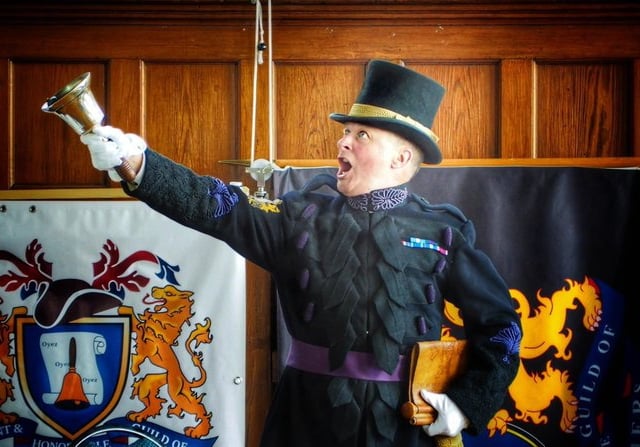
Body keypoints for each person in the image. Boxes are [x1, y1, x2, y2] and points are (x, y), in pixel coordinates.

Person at [80, 59, 521, 447]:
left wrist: (464, 405)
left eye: (361, 134)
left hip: (406, 427)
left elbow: (501, 326)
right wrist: (138, 164)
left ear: (401, 158)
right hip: (306, 422)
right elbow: (215, 207)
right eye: (345, 132)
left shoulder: (444, 230)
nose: (343, 142)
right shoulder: (297, 219)